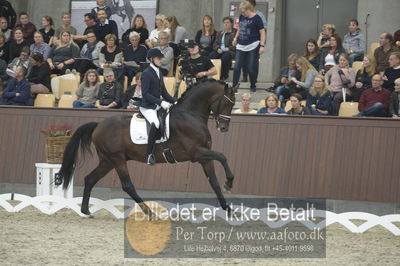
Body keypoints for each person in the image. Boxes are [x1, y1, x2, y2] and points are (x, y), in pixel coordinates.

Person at [138, 48, 177, 165]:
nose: (161, 60)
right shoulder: (146, 73)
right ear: (151, 59)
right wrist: (161, 102)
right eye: (159, 58)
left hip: (157, 106)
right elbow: (145, 94)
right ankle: (149, 154)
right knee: (156, 123)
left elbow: (164, 92)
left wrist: (175, 101)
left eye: (161, 58)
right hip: (147, 107)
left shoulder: (159, 72)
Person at [232, 1, 265, 92]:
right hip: (241, 45)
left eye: (243, 12)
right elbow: (239, 28)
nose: (242, 14)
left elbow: (262, 32)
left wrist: (262, 45)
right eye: (241, 12)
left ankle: (253, 84)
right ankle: (234, 86)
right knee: (237, 67)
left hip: (253, 45)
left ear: (248, 9)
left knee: (251, 67)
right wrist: (235, 38)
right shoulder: (242, 16)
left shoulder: (257, 18)